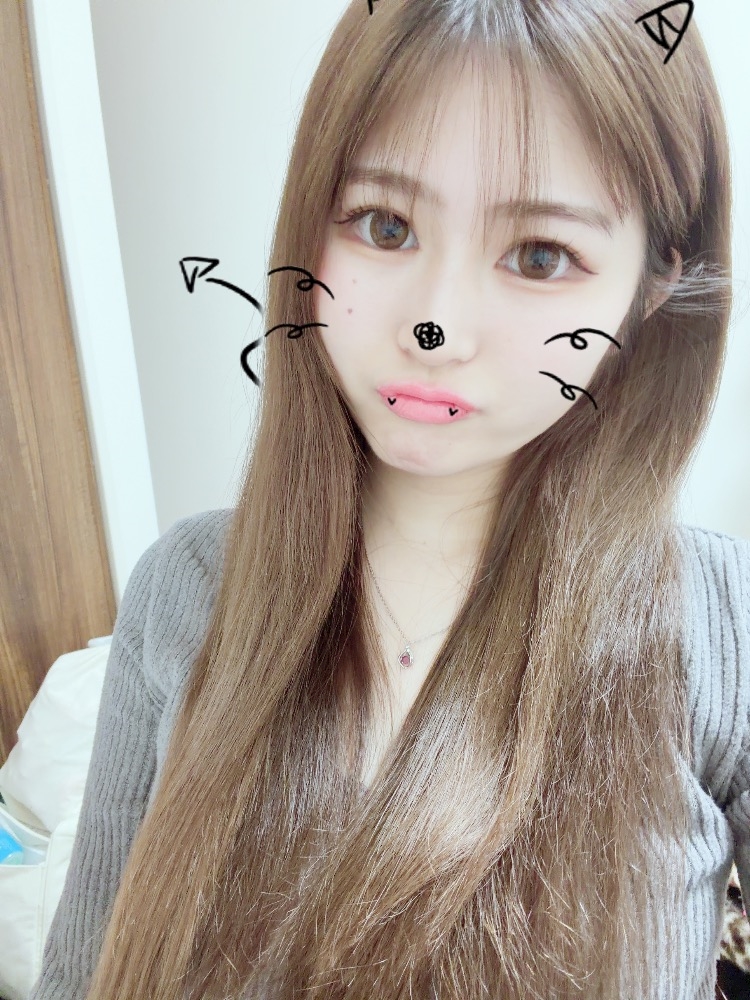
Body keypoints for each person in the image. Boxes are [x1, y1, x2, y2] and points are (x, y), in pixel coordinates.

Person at [28, 0, 747, 998]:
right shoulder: (183, 590)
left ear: (653, 286)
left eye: (540, 256)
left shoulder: (721, 625)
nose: (435, 325)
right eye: (386, 225)